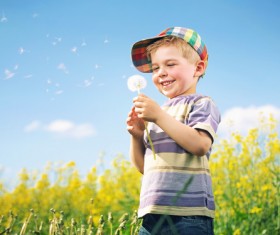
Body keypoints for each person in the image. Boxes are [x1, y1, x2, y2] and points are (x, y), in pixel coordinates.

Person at [126, 27, 221, 235]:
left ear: (198, 68)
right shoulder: (158, 113)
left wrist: (159, 117)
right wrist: (136, 136)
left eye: (170, 64)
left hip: (188, 216)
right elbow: (144, 167)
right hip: (151, 217)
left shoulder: (202, 103)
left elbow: (200, 145)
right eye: (155, 68)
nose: (161, 73)